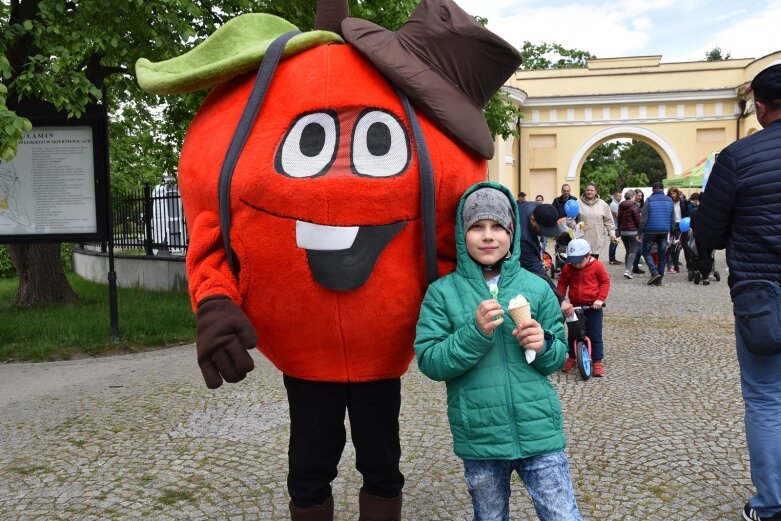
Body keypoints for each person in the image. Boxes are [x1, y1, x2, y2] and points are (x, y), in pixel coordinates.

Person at [415, 182, 583, 521]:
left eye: (497, 227)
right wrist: (473, 334)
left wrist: (545, 344)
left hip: (540, 433)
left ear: (512, 232)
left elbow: (558, 354)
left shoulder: (535, 286)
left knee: (562, 516)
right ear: (463, 235)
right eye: (477, 227)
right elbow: (431, 360)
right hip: (480, 437)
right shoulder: (442, 293)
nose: (488, 236)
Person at [695, 61, 781, 521]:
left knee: (767, 398)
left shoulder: (738, 157)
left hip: (762, 296)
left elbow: (707, 232)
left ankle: (771, 505)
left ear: (760, 107)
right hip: (762, 294)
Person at [557, 238, 610, 377]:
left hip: (593, 308)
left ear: (588, 256)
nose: (576, 265)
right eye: (573, 262)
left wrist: (600, 299)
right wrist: (561, 300)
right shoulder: (568, 268)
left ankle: (597, 361)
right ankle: (572, 358)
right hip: (574, 308)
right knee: (573, 334)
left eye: (580, 262)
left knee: (595, 335)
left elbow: (605, 282)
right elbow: (562, 284)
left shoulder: (597, 266)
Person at [639, 182, 674, 286]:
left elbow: (643, 219)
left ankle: (654, 272)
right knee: (662, 254)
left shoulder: (649, 200)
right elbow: (672, 218)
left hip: (650, 231)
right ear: (663, 189)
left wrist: (639, 232)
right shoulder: (670, 201)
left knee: (646, 252)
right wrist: (672, 232)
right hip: (664, 231)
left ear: (653, 189)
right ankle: (659, 278)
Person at [577, 182, 616, 260]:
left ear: (596, 192)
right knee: (583, 261)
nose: (589, 192)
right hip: (583, 237)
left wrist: (612, 234)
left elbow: (609, 221)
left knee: (594, 261)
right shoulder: (577, 203)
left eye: (592, 190)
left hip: (597, 238)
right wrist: (572, 225)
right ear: (585, 191)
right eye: (588, 190)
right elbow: (571, 219)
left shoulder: (603, 204)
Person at [617, 189, 641, 279]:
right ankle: (628, 271)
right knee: (633, 251)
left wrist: (619, 229)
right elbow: (637, 220)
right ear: (632, 197)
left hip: (623, 232)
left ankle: (628, 270)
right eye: (635, 196)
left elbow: (619, 219)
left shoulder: (621, 206)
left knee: (628, 251)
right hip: (633, 232)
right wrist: (640, 230)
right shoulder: (634, 206)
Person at [665, 187, 689, 273]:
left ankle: (689, 266)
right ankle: (675, 265)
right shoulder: (668, 202)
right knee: (674, 246)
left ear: (677, 193)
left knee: (685, 246)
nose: (673, 195)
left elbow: (687, 213)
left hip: (683, 224)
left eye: (674, 193)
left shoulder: (682, 201)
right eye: (671, 194)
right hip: (673, 225)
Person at [631, 189, 646, 274]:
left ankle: (635, 265)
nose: (639, 197)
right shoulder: (632, 205)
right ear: (634, 195)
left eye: (641, 196)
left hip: (642, 229)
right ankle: (634, 266)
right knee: (634, 249)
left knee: (640, 250)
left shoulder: (643, 205)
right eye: (638, 195)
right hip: (633, 229)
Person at [608, 190, 623, 265]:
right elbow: (618, 216)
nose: (620, 197)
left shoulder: (617, 204)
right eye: (619, 196)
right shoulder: (614, 205)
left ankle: (613, 259)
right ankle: (611, 259)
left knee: (615, 243)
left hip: (616, 227)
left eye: (621, 196)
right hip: (614, 227)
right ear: (614, 196)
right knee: (613, 243)